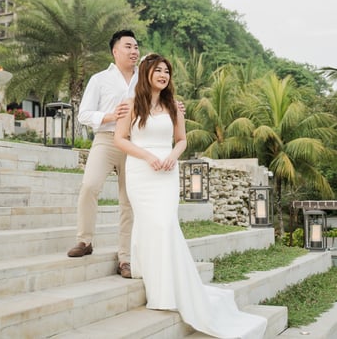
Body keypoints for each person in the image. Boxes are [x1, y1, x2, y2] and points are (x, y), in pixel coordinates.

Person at [114, 53, 267, 338]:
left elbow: (182, 139)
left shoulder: (174, 106)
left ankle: (167, 286)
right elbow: (120, 139)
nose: (163, 75)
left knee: (165, 223)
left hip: (167, 171)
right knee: (150, 223)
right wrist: (148, 156)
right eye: (158, 70)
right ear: (146, 73)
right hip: (141, 170)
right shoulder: (131, 104)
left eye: (167, 71)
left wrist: (172, 156)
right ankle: (148, 272)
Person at [67, 30, 139, 279]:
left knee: (128, 200)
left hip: (133, 143)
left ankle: (126, 258)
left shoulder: (144, 79)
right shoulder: (99, 79)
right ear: (115, 51)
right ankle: (85, 241)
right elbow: (83, 114)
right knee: (89, 186)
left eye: (136, 47)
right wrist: (110, 116)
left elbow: (159, 103)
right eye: (128, 46)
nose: (134, 51)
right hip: (106, 140)